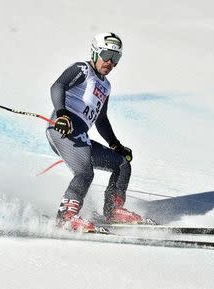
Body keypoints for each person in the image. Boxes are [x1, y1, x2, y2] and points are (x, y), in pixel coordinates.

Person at [46, 32, 143, 232]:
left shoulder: (106, 85)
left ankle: (113, 210)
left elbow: (101, 119)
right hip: (63, 129)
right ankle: (66, 216)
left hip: (82, 136)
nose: (110, 62)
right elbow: (58, 86)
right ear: (95, 52)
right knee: (85, 172)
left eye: (116, 58)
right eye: (107, 55)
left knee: (122, 164)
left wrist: (116, 144)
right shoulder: (83, 69)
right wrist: (63, 114)